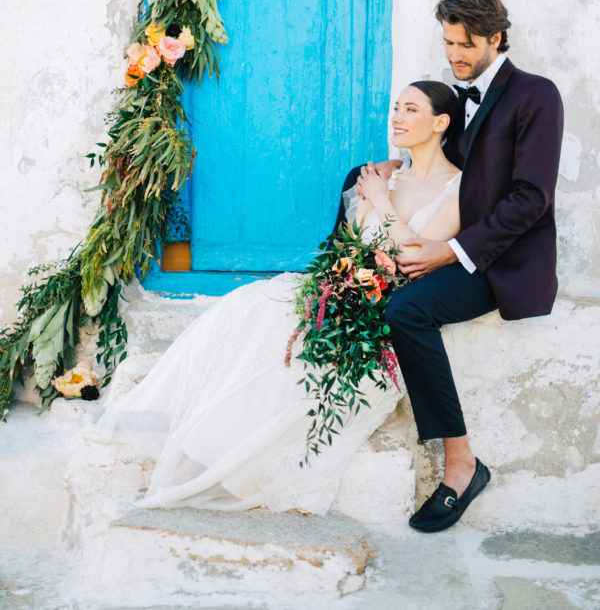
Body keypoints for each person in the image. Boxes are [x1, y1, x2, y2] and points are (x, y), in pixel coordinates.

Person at [95, 81, 462, 516]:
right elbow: (342, 247)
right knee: (251, 306)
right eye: (395, 108)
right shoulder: (375, 174)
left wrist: (380, 201)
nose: (397, 117)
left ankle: (223, 458)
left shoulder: (457, 188)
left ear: (441, 123)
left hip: (381, 313)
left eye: (411, 109)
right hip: (339, 291)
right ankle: (196, 442)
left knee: (288, 349)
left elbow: (413, 256)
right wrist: (336, 281)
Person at [337, 0, 564, 533]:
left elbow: (531, 198)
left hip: (500, 262)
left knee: (407, 311)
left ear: (497, 38)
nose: (455, 55)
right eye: (448, 43)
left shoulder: (537, 95)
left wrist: (451, 251)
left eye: (466, 44)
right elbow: (438, 159)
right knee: (355, 182)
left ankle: (462, 462)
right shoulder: (455, 98)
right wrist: (397, 168)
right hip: (449, 240)